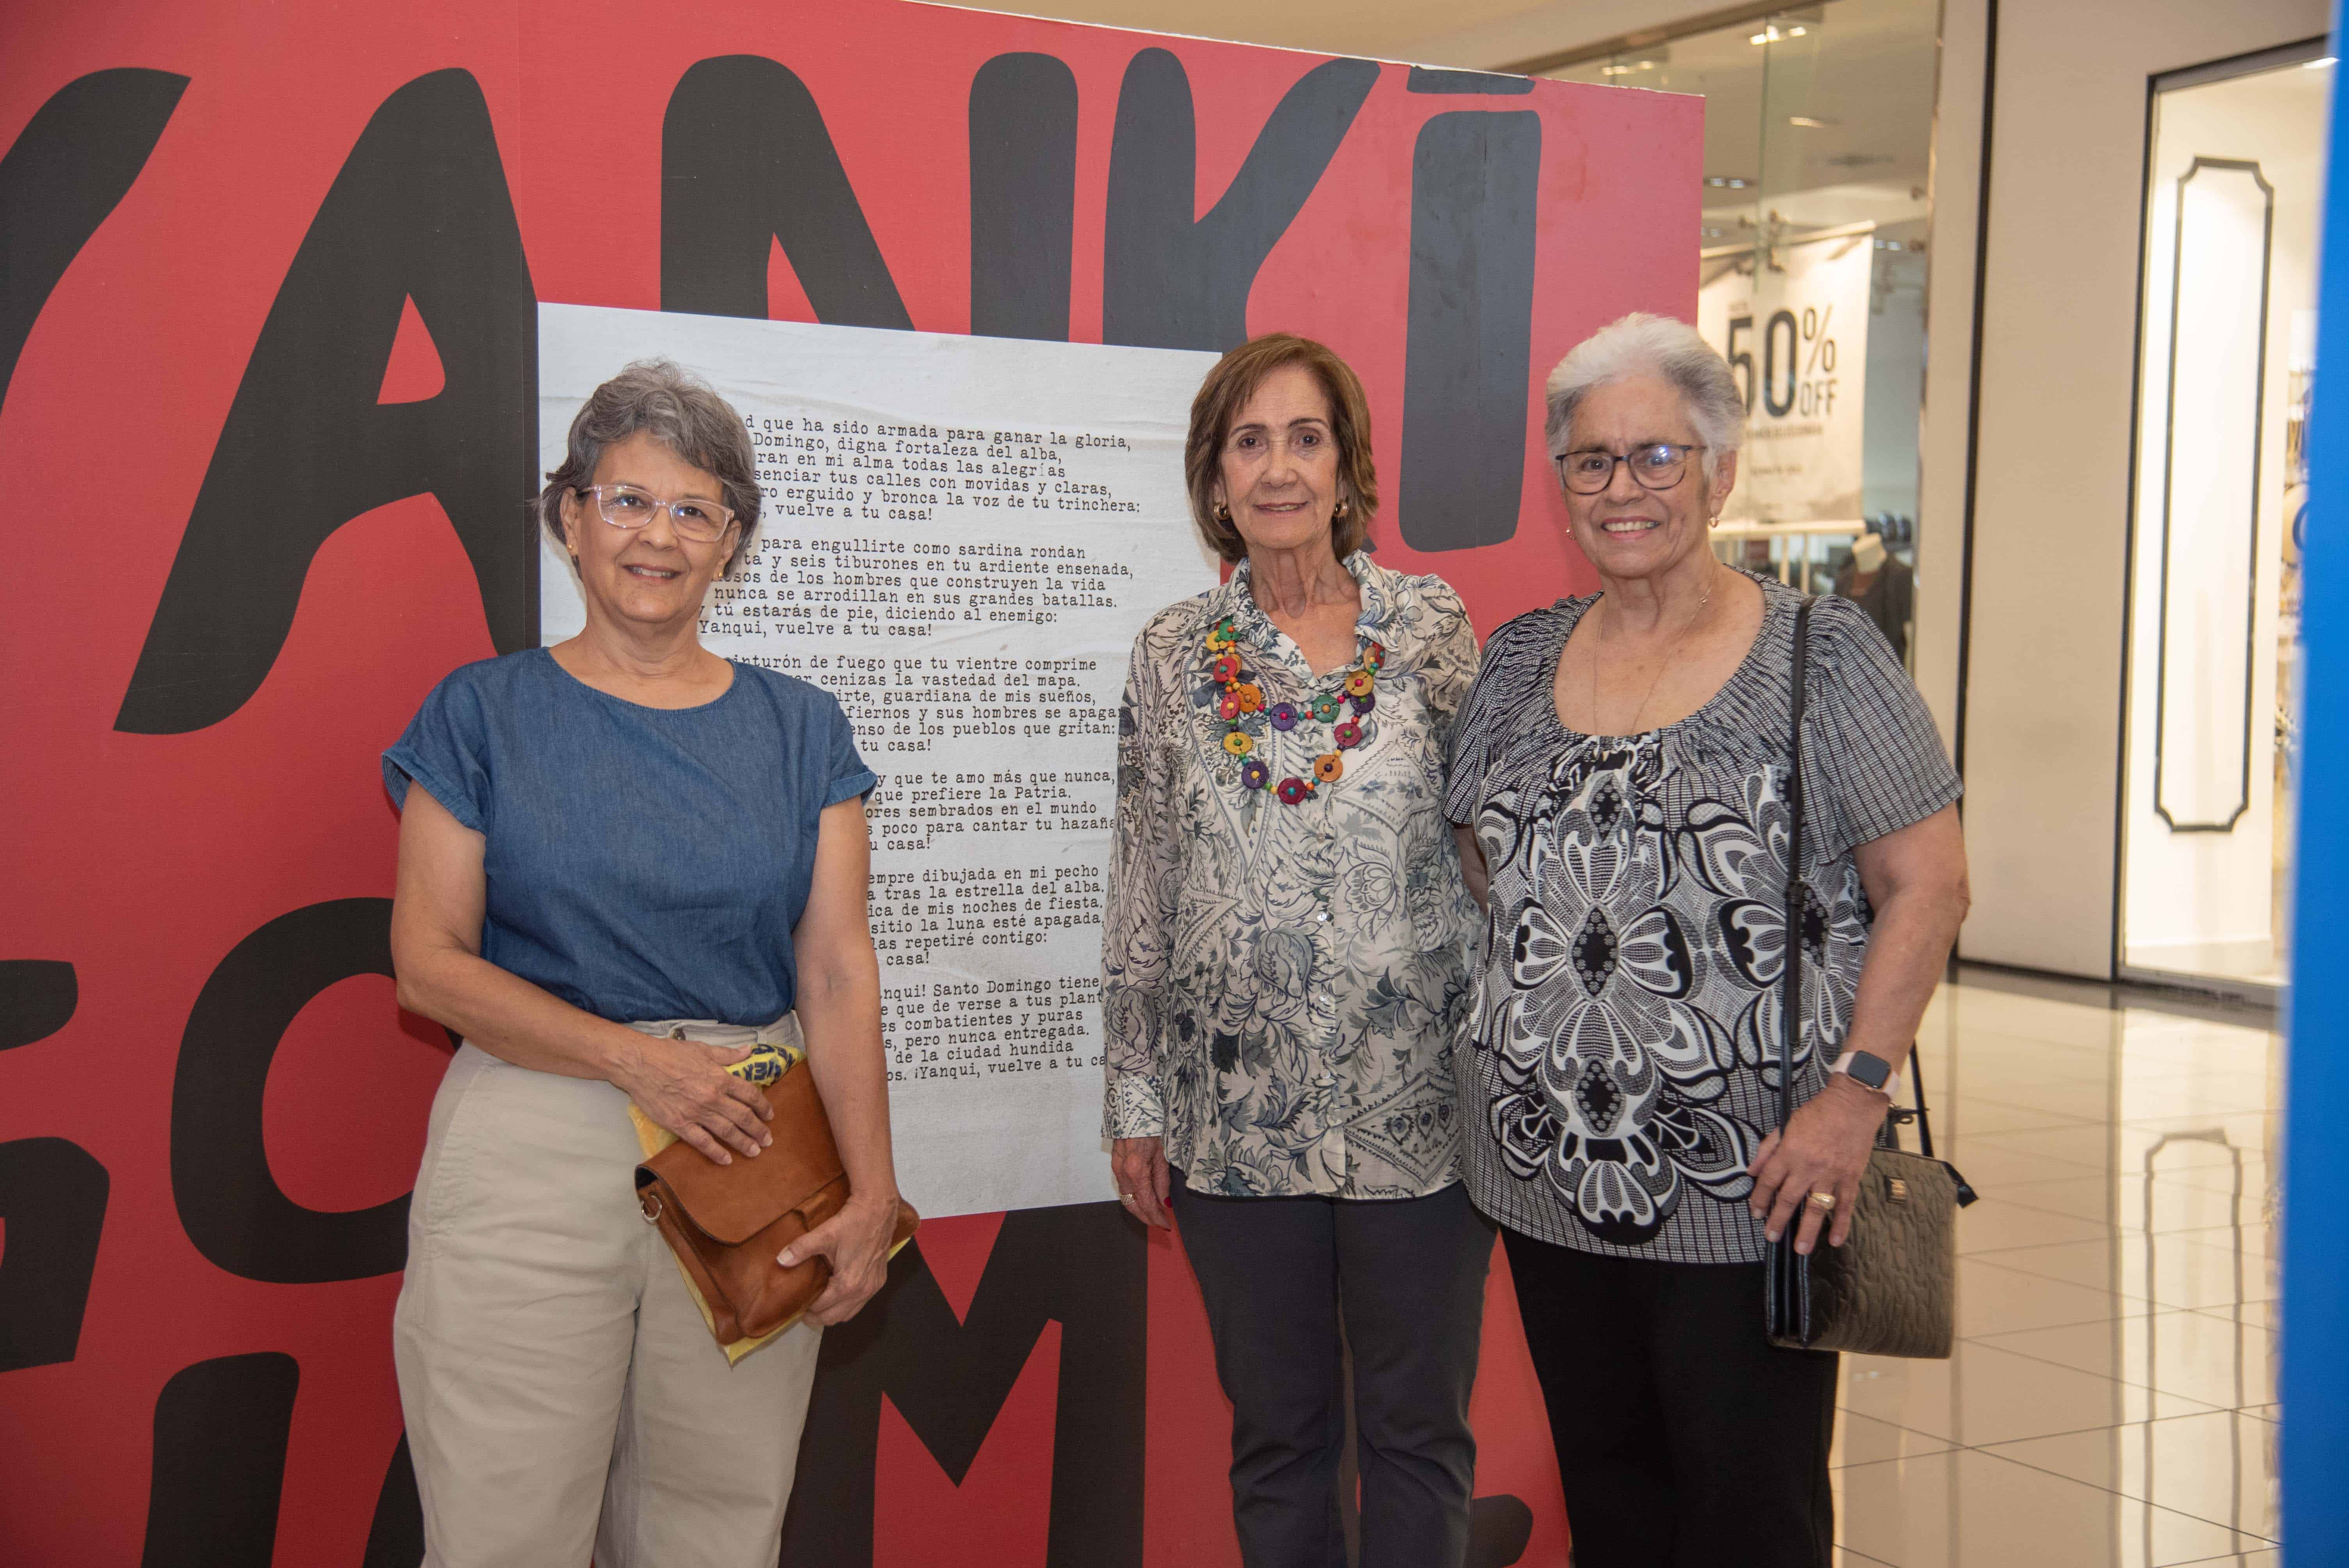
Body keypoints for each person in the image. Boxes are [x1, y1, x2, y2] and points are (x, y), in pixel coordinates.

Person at [1445, 314, 1969, 1568]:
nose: (1624, 489)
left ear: (1721, 471)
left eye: (1658, 457)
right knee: (1613, 1502)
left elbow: (1931, 885)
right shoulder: (1518, 660)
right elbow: (1479, 859)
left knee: (1749, 1513)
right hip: (1546, 1178)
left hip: (1761, 1179)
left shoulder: (1821, 655)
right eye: (1592, 461)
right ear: (1562, 482)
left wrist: (1853, 1099)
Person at [383, 360, 902, 1568]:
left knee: (720, 1528)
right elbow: (428, 965)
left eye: (692, 510)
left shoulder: (802, 727)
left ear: (734, 542)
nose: (656, 536)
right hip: (531, 1131)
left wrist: (871, 1195)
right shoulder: (481, 715)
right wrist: (641, 1066)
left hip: (753, 1148)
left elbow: (834, 968)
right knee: (503, 1526)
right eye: (626, 502)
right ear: (570, 518)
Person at [1103, 332, 1491, 1568]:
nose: (1279, 468)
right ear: (1216, 477)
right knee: (1279, 1439)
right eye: (1250, 440)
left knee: (1418, 1433)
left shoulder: (1429, 626)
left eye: (1305, 437)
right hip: (1235, 1116)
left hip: (1418, 1109)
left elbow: (1491, 849)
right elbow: (1143, 877)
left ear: (1346, 465)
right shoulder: (1174, 653)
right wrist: (1133, 1094)